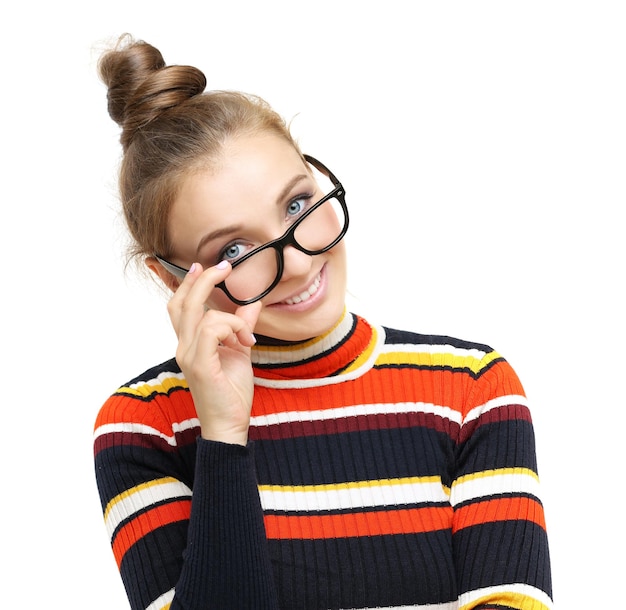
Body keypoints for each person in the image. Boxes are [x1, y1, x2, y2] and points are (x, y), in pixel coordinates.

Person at [93, 34, 553, 610]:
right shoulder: (145, 427)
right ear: (175, 280)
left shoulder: (472, 387)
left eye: (294, 204)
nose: (301, 262)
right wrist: (224, 434)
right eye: (235, 251)